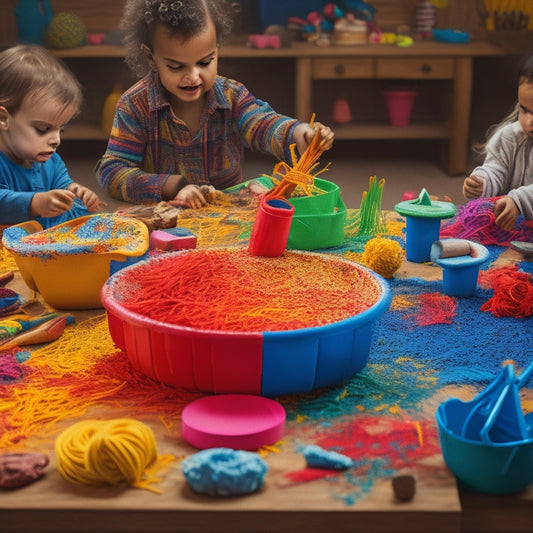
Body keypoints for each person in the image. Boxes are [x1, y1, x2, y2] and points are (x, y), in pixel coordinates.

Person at [95, 0, 334, 209]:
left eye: (205, 62)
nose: (193, 76)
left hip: (229, 219)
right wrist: (170, 186)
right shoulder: (134, 105)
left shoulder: (233, 96)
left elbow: (262, 123)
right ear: (151, 57)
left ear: (217, 51)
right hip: (167, 224)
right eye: (176, 67)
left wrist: (298, 133)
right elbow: (112, 171)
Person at [0, 44, 103, 229]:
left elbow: (62, 184)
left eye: (60, 129)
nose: (56, 140)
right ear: (3, 118)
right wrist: (35, 203)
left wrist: (75, 192)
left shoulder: (51, 160)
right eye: (42, 129)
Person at [463, 49, 533, 231]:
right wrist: (482, 182)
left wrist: (518, 201)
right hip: (514, 232)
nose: (528, 121)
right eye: (524, 110)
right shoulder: (510, 137)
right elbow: (496, 169)